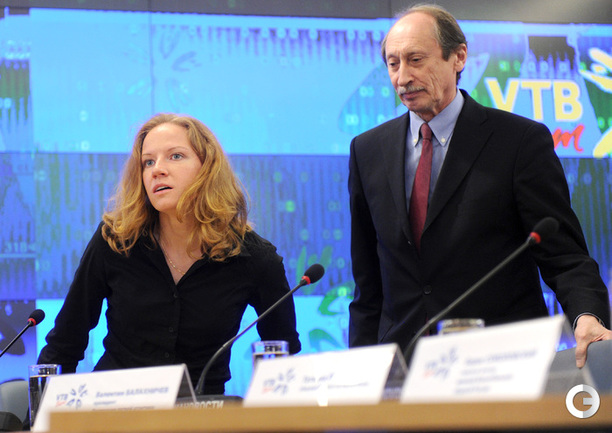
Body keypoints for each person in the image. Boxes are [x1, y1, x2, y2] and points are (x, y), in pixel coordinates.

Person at [348, 4, 611, 368]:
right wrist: (360, 369)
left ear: (458, 57)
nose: (402, 77)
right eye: (393, 64)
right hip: (403, 367)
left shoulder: (519, 142)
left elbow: (564, 257)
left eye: (416, 60)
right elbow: (368, 284)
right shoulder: (367, 150)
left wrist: (587, 316)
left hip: (502, 364)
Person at [38, 113, 301, 394]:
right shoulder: (116, 241)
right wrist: (43, 412)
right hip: (115, 406)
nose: (157, 170)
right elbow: (65, 341)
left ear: (208, 168)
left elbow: (282, 357)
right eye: (148, 162)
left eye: (175, 156)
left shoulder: (252, 257)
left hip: (201, 412)